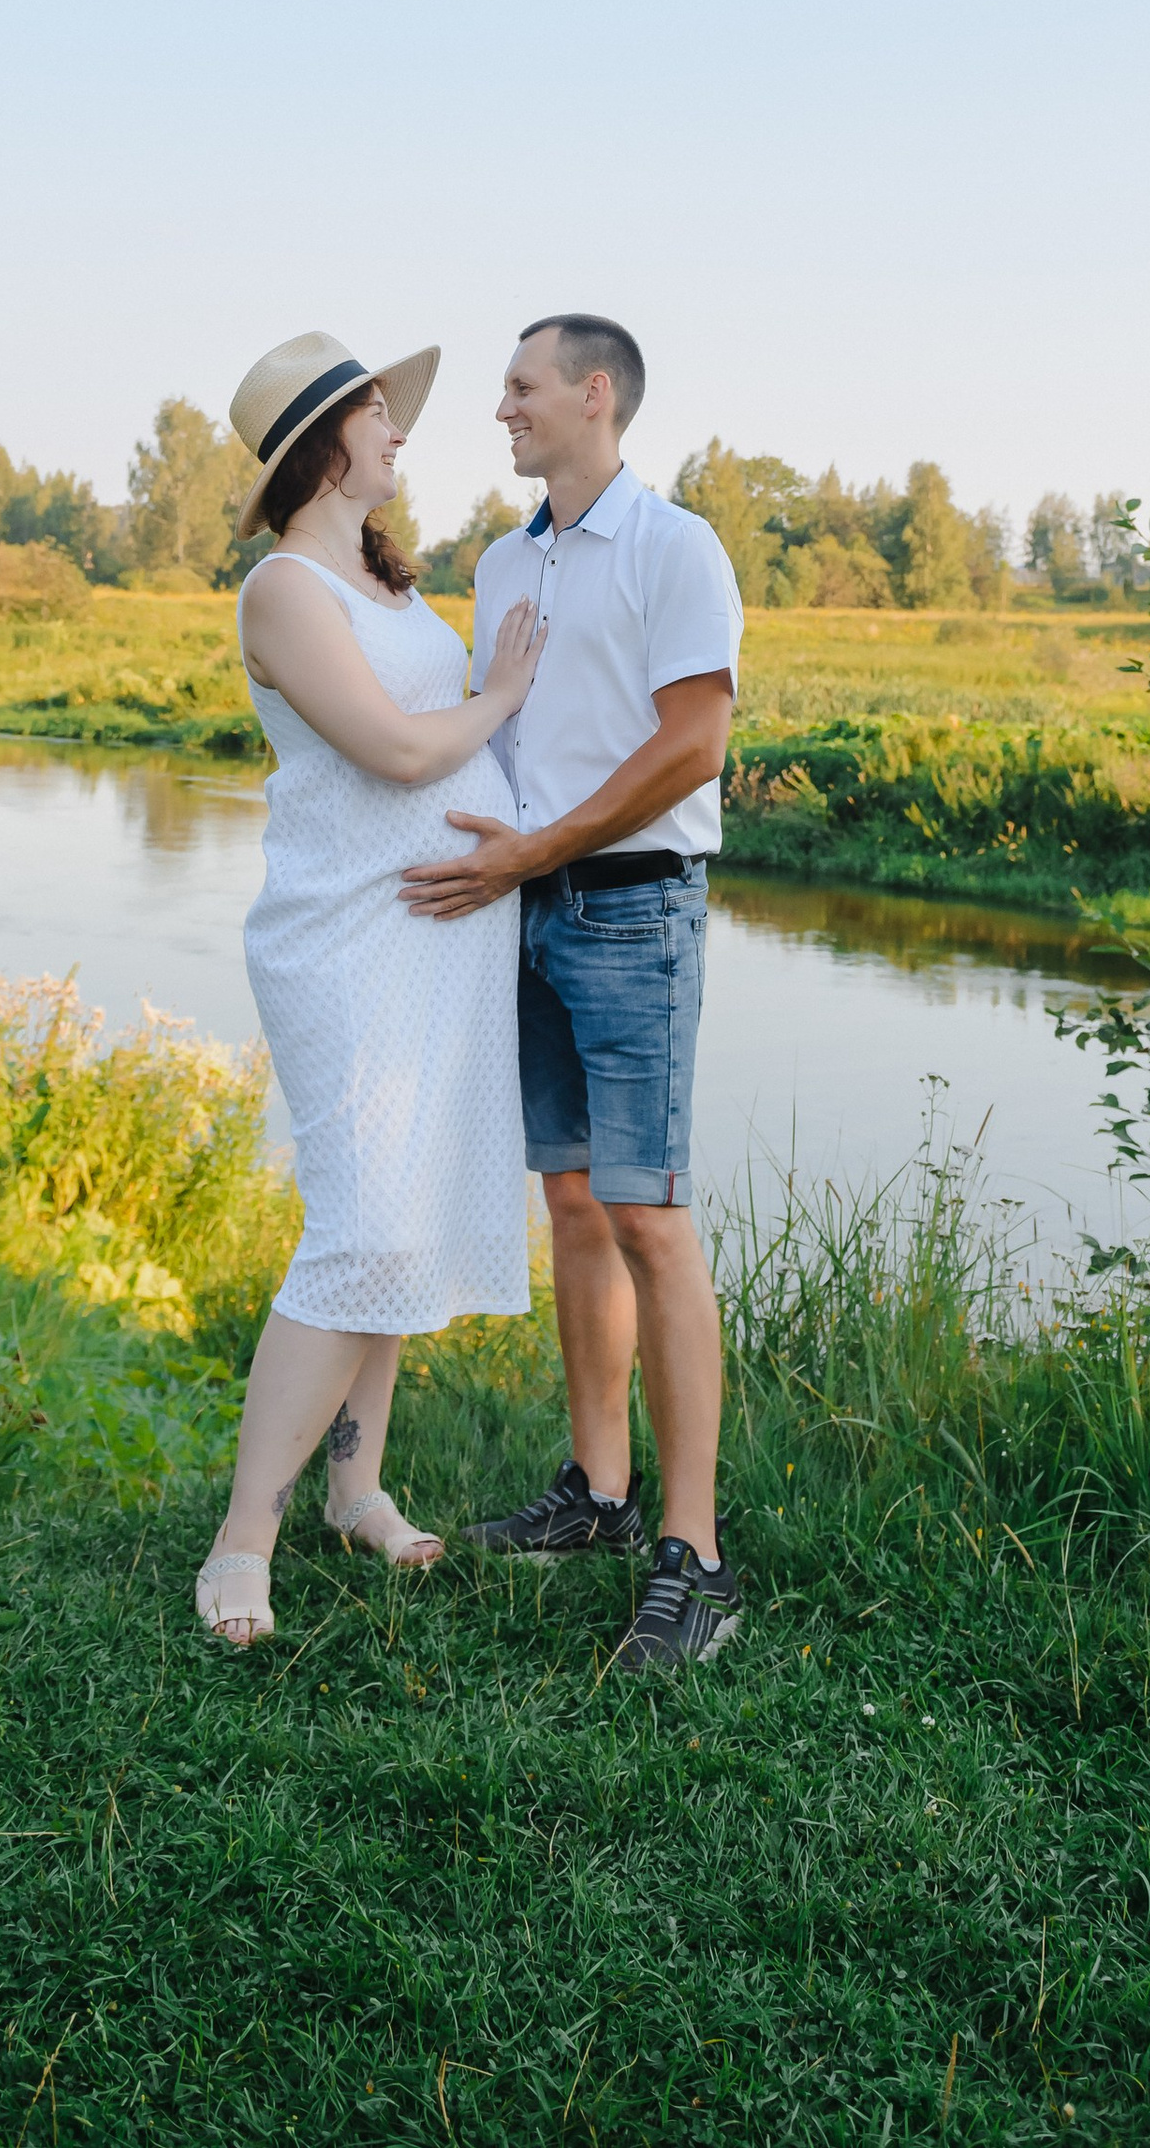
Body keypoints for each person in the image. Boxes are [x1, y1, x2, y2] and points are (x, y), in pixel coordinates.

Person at [400, 314, 745, 1673]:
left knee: (651, 1219)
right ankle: (596, 1497)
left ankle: (696, 1557)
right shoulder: (504, 560)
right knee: (574, 1205)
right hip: (522, 912)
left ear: (595, 397)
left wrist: (547, 849)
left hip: (633, 907)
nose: (502, 409)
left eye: (522, 387)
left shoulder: (678, 549)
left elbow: (695, 741)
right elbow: (492, 729)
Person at [196, 328, 545, 1648]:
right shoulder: (285, 588)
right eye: (379, 419)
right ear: (322, 445)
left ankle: (358, 1489)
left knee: (398, 1221)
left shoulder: (387, 585)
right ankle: (243, 1541)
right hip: (351, 942)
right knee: (358, 1227)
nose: (402, 434)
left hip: (437, 944)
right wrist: (502, 693)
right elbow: (401, 751)